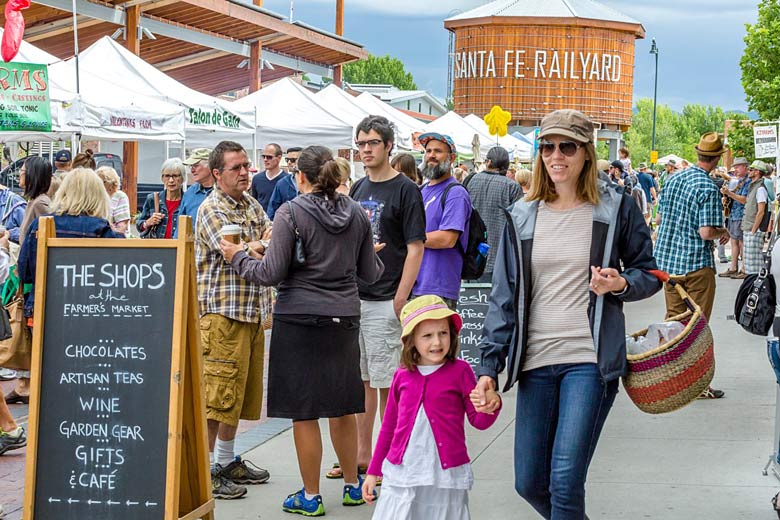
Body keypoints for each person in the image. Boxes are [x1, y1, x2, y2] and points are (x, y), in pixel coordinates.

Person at [473, 109, 661, 519]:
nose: (556, 155)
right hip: (536, 362)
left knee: (564, 481)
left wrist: (621, 283)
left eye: (567, 146)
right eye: (547, 147)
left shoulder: (615, 209)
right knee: (529, 482)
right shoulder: (522, 215)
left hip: (588, 361)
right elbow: (503, 296)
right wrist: (488, 366)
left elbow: (651, 274)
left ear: (587, 153)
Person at [220, 145, 383, 516]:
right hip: (344, 318)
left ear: (302, 177)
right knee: (343, 406)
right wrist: (369, 252)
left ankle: (310, 496)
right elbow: (371, 274)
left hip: (299, 317)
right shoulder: (357, 213)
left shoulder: (290, 212)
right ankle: (352, 486)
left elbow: (269, 274)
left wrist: (238, 256)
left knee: (305, 412)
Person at [361, 295, 501, 519]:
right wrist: (373, 471)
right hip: (404, 471)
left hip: (444, 475)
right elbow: (389, 427)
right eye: (427, 335)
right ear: (411, 340)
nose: (437, 342)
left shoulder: (461, 371)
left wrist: (492, 405)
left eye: (443, 333)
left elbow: (479, 420)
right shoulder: (402, 375)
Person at [346, 115, 426, 485]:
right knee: (362, 381)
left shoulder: (405, 190)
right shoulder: (358, 188)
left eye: (373, 143)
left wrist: (401, 298)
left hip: (386, 298)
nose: (366, 149)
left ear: (389, 146)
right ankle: (363, 457)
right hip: (356, 297)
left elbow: (415, 248)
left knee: (389, 383)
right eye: (361, 143)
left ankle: (392, 456)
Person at [195, 141, 273, 500]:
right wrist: (255, 246)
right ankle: (205, 470)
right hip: (222, 316)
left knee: (239, 395)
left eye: (246, 166)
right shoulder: (211, 209)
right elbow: (235, 252)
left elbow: (271, 241)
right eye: (236, 168)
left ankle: (226, 460)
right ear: (216, 174)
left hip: (251, 312)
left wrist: (251, 246)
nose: (244, 173)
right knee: (217, 397)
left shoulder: (250, 203)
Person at [14, 169, 120, 405]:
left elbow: (24, 271)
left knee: (49, 371)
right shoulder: (103, 231)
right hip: (92, 314)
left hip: (44, 310)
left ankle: (51, 422)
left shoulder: (40, 226)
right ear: (98, 195)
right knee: (86, 373)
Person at [655, 132, 729, 399]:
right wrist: (724, 232)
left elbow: (661, 216)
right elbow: (706, 232)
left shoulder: (673, 179)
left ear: (699, 154)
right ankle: (696, 384)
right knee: (697, 326)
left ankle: (665, 376)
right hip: (696, 264)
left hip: (668, 263)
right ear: (718, 157)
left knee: (674, 322)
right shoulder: (708, 187)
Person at [413, 132, 471, 309]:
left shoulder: (456, 193)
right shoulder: (421, 191)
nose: (431, 155)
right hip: (414, 284)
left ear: (451, 157)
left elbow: (447, 239)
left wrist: (410, 238)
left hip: (438, 287)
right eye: (428, 150)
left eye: (438, 151)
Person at [464, 146, 522, 281]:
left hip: (472, 254)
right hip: (501, 257)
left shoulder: (470, 181)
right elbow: (519, 223)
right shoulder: (512, 187)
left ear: (488, 162)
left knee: (472, 299)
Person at [136, 158, 185, 239]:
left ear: (183, 178)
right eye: (167, 176)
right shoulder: (152, 199)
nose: (171, 180)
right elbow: (139, 225)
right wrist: (148, 222)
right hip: (157, 249)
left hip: (179, 248)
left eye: (175, 176)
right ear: (162, 178)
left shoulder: (187, 200)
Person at [720, 157, 751, 278]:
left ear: (745, 167)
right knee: (734, 240)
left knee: (741, 242)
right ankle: (733, 267)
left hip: (741, 214)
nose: (735, 169)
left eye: (738, 167)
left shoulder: (748, 181)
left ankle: (744, 268)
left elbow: (744, 200)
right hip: (734, 214)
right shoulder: (740, 181)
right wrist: (727, 198)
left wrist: (729, 194)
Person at [178, 148, 214, 235]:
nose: (192, 170)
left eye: (196, 165)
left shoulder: (225, 191)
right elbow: (180, 226)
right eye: (191, 166)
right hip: (192, 247)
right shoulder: (189, 193)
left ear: (210, 166)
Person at [742, 160, 770, 275]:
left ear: (757, 172)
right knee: (750, 263)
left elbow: (761, 211)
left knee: (755, 264)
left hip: (754, 229)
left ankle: (758, 286)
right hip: (750, 227)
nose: (749, 171)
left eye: (751, 169)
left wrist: (754, 230)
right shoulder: (754, 186)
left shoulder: (760, 188)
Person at [19, 156, 53, 246]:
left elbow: (47, 236)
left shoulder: (40, 203)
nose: (19, 174)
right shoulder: (35, 201)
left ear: (31, 175)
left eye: (22, 171)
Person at [266, 147, 303, 220]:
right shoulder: (282, 183)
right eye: (287, 160)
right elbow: (272, 208)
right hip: (287, 226)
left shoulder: (311, 182)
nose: (289, 162)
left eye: (293, 160)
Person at [96, 166, 130, 236]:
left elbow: (122, 227)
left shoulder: (120, 196)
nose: (99, 184)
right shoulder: (97, 197)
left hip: (115, 239)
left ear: (111, 182)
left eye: (103, 181)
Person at [250, 143, 284, 211]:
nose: (265, 160)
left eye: (269, 157)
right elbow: (254, 202)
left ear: (279, 158)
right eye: (263, 156)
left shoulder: (287, 180)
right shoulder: (257, 179)